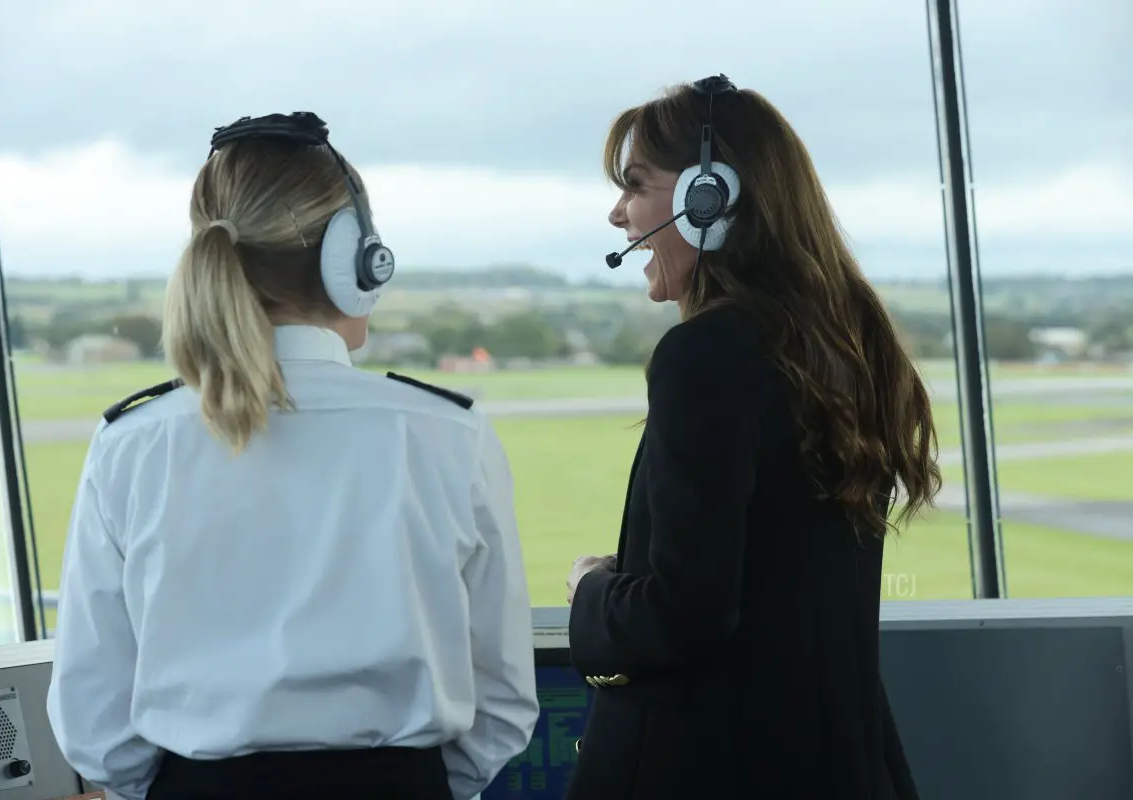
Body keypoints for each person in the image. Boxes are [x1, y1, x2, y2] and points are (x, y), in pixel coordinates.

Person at [46, 112, 539, 800]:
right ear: (357, 258)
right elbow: (504, 699)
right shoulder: (449, 435)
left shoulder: (131, 443)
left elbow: (95, 720)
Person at [564, 76, 940, 799]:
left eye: (635, 185)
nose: (618, 214)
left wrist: (594, 592)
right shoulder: (848, 351)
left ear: (709, 196)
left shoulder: (706, 354)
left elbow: (686, 614)